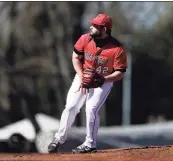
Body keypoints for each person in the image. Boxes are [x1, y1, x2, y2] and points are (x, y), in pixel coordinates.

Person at [48, 13, 127, 153]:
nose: (91, 26)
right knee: (71, 106)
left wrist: (104, 80)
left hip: (103, 80)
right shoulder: (85, 39)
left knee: (91, 109)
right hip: (83, 75)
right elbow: (75, 57)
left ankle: (90, 143)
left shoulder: (117, 48)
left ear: (104, 29)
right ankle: (59, 139)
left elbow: (120, 73)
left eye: (95, 25)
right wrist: (82, 75)